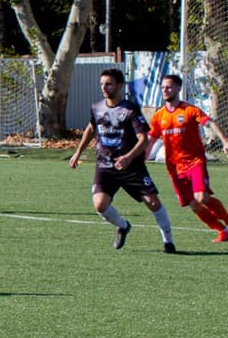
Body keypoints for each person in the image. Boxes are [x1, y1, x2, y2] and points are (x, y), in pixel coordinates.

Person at [68, 67, 177, 252]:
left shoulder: (130, 109)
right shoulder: (96, 107)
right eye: (102, 84)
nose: (104, 88)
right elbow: (91, 128)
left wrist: (128, 157)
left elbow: (143, 139)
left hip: (131, 167)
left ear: (119, 86)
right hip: (105, 166)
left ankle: (168, 241)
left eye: (108, 84)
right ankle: (123, 226)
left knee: (152, 202)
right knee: (100, 205)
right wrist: (77, 152)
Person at [146, 74, 228, 242]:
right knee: (193, 204)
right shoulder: (159, 116)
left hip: (194, 162)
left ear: (178, 88)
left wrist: (225, 141)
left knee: (201, 198)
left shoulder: (189, 110)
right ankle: (222, 231)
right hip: (174, 168)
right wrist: (140, 156)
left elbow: (210, 122)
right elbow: (151, 139)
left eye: (168, 87)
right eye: (163, 87)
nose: (165, 90)